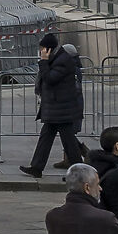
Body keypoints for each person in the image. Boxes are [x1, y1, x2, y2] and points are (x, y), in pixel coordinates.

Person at [21, 33, 86, 177]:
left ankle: (80, 172)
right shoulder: (56, 58)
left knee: (69, 143)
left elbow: (50, 78)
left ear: (48, 49)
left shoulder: (62, 60)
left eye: (42, 48)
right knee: (47, 137)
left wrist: (43, 61)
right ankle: (37, 168)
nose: (41, 51)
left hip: (61, 109)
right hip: (56, 109)